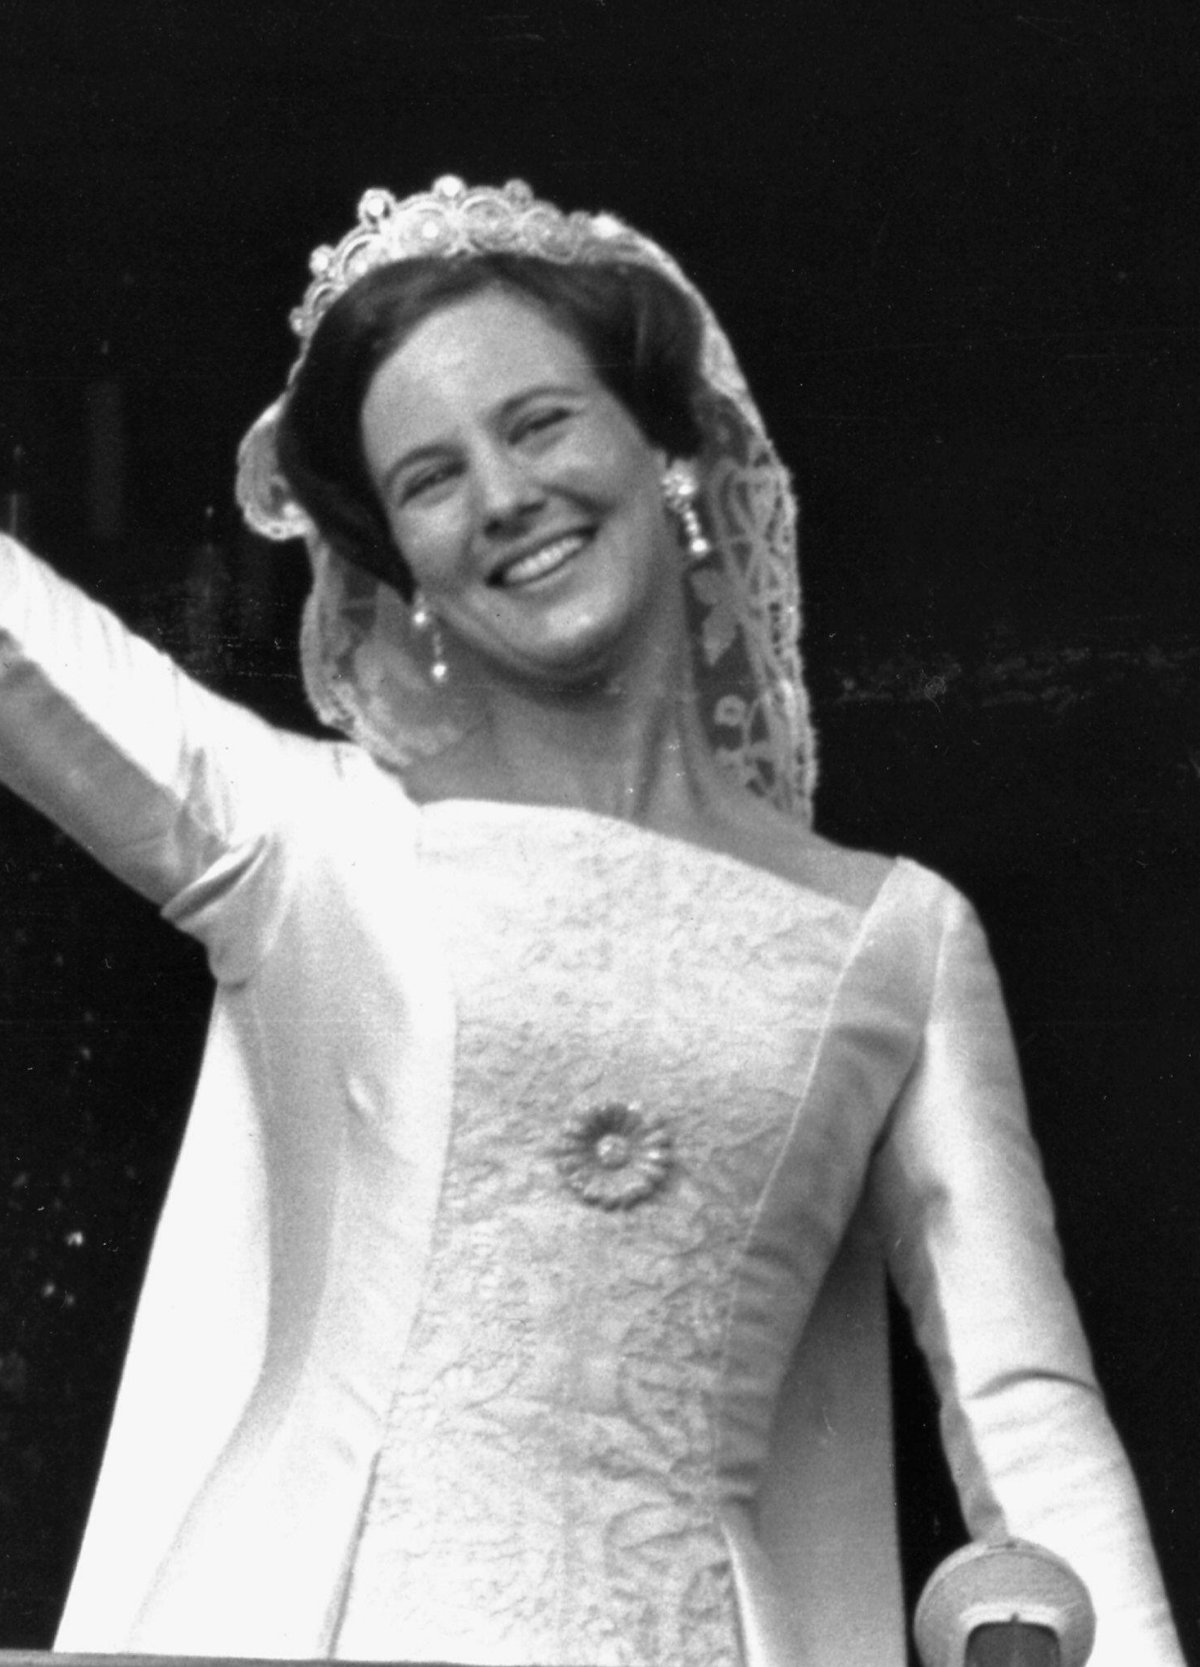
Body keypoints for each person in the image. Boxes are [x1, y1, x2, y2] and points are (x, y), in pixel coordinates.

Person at [0, 177, 1182, 1667]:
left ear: (668, 446)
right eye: (428, 478)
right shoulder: (311, 844)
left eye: (541, 422)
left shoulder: (899, 938)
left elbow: (1029, 1423)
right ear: (399, 567)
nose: (501, 496)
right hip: (302, 1631)